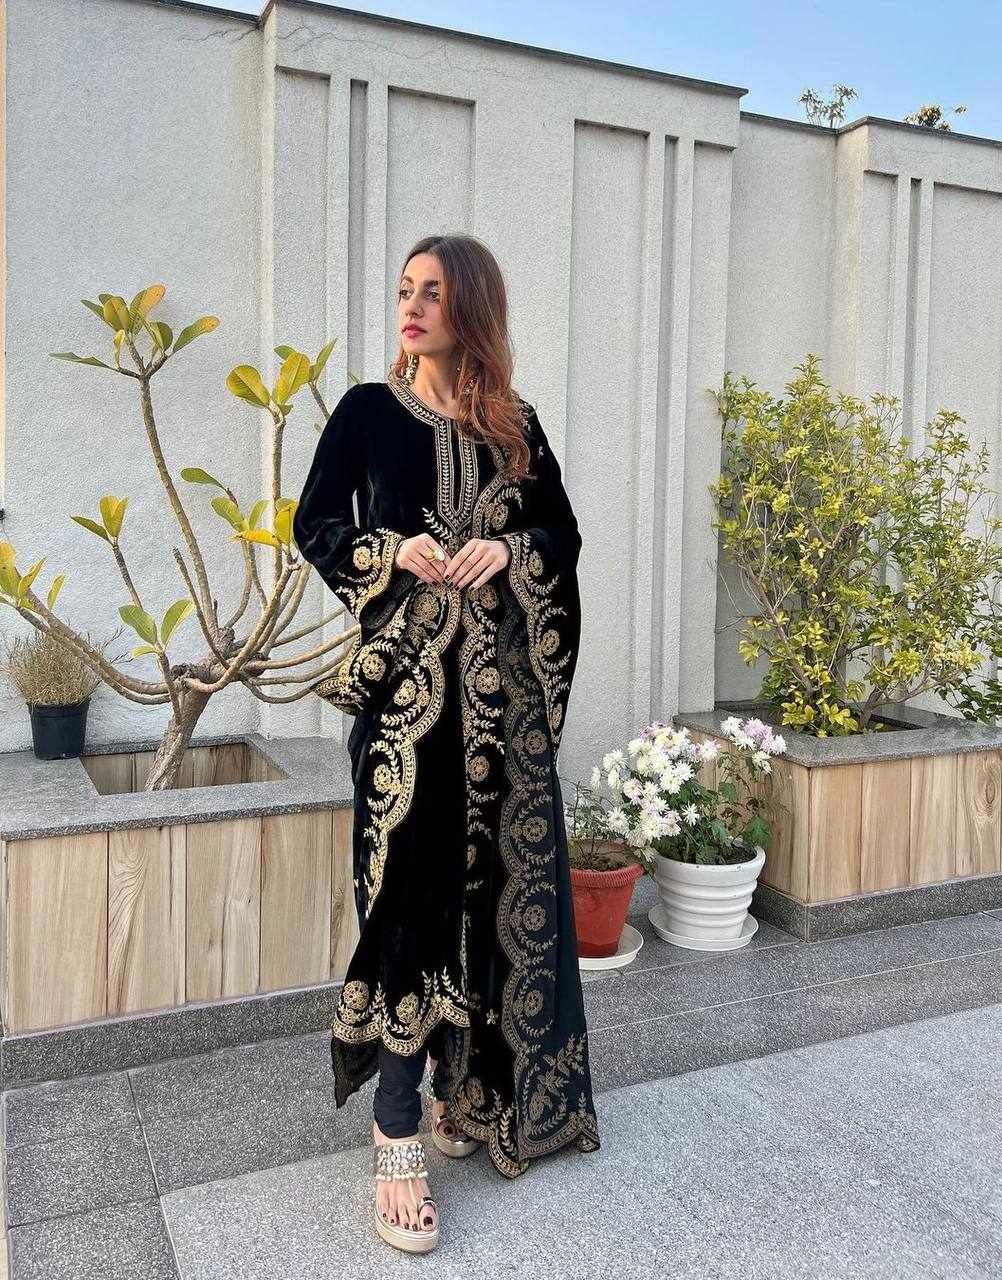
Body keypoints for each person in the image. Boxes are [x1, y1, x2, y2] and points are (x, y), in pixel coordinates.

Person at [293, 233, 600, 1255]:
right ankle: (395, 1129)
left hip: (502, 713)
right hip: (409, 711)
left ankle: (466, 1092)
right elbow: (313, 524)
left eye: (432, 292)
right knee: (407, 901)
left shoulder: (516, 427)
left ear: (470, 308)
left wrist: (505, 551)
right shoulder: (367, 413)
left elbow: (560, 538)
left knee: (485, 894)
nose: (412, 306)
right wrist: (394, 550)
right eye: (404, 290)